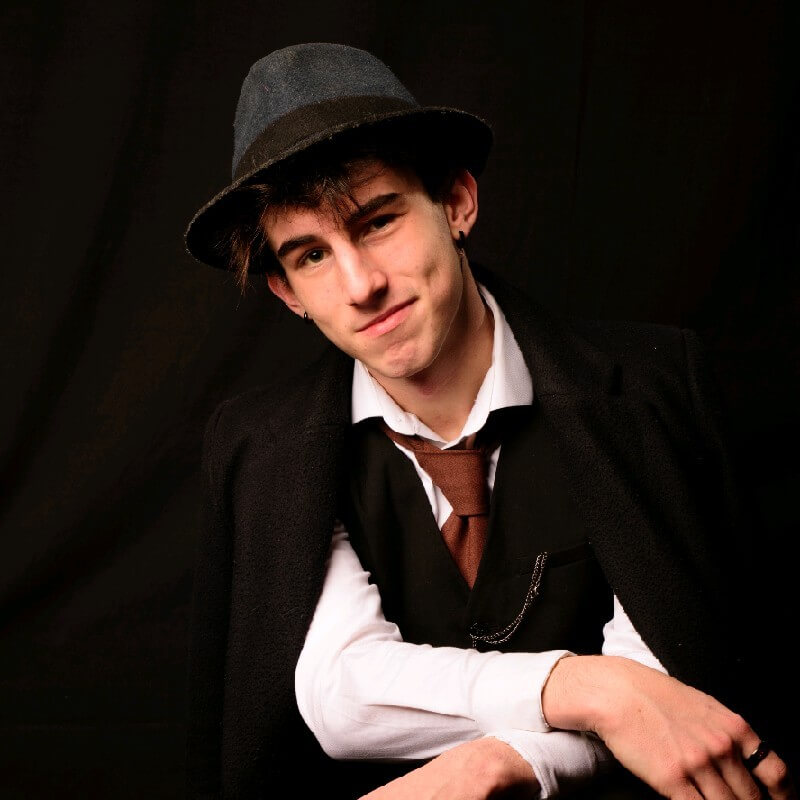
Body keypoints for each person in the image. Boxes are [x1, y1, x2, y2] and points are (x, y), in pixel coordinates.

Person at [184, 43, 796, 800]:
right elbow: (342, 695)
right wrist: (594, 690)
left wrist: (502, 763)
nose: (361, 285)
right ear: (287, 292)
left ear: (456, 204)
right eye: (312, 256)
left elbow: (671, 686)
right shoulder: (263, 447)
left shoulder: (651, 388)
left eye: (378, 222)